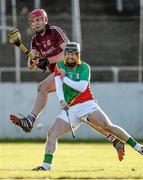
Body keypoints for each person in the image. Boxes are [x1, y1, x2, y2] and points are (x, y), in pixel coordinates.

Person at [9, 9, 125, 161]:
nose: (36, 23)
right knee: (85, 117)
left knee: (42, 88)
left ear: (45, 20)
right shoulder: (35, 40)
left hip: (70, 71)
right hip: (59, 76)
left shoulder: (55, 31)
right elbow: (31, 65)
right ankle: (115, 140)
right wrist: (32, 61)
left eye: (39, 20)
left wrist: (47, 60)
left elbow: (68, 53)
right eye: (33, 21)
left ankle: (30, 120)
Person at [31, 42, 143, 171]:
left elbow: (81, 87)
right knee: (52, 133)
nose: (70, 57)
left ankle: (139, 148)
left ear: (78, 55)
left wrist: (65, 78)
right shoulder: (59, 66)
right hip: (70, 109)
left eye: (73, 54)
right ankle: (46, 166)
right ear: (64, 55)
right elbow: (59, 86)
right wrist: (61, 101)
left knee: (107, 127)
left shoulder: (84, 68)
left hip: (87, 105)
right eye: (68, 54)